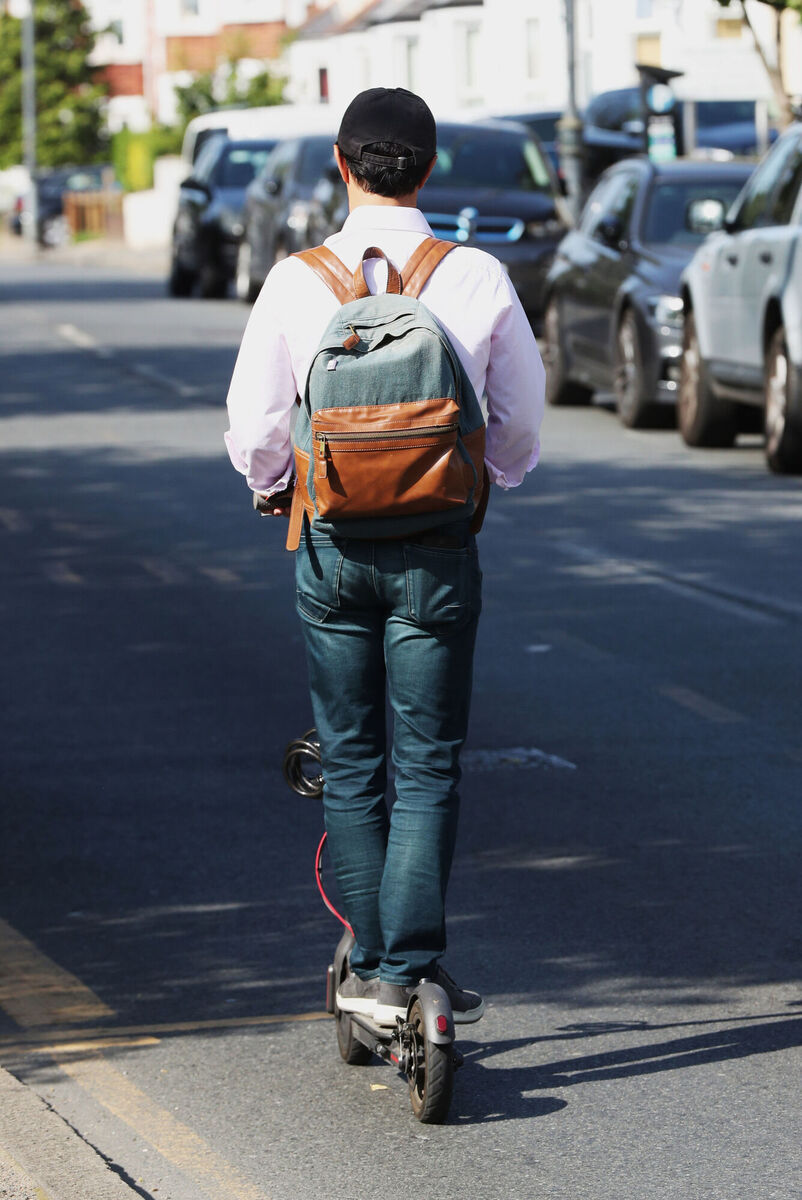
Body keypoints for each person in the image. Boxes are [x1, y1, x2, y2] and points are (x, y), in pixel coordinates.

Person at [225, 87, 544, 1027]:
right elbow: (519, 425)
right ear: (432, 169)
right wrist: (493, 477)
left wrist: (273, 481)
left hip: (330, 550)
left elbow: (252, 430)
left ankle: (366, 967)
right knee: (430, 761)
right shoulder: (475, 275)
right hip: (439, 550)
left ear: (340, 161)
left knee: (355, 758)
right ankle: (412, 967)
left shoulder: (296, 280)